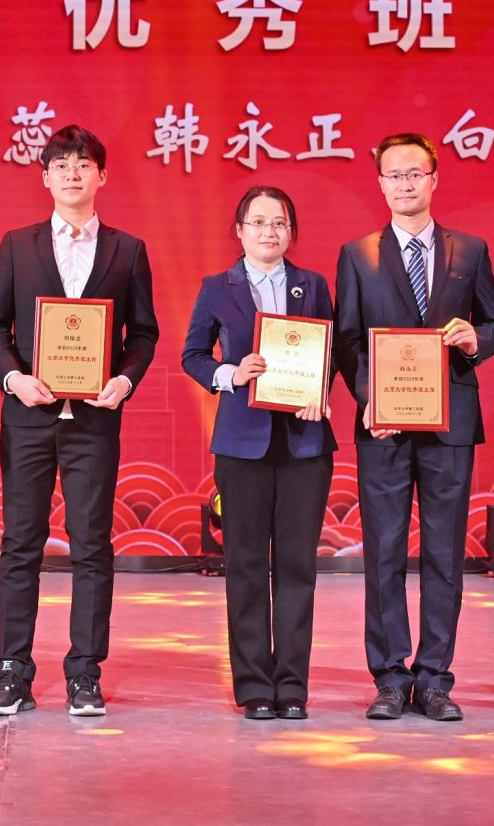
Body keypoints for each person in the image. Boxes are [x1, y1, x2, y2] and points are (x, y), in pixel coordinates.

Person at [0, 124, 158, 718]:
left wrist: (123, 381)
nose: (72, 174)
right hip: (28, 416)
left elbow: (144, 333)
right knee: (19, 543)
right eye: (61, 165)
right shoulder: (16, 245)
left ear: (101, 176)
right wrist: (14, 378)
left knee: (91, 545)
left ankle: (85, 671)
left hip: (94, 420)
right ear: (45, 177)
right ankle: (12, 669)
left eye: (83, 165)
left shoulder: (128, 250)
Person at [333, 132, 494, 722]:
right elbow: (348, 340)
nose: (405, 184)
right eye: (394, 175)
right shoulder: (357, 254)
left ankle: (434, 678)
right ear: (380, 184)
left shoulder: (470, 250)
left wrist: (475, 339)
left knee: (444, 553)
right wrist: (368, 400)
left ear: (434, 178)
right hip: (382, 426)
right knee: (383, 551)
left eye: (415, 173)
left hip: (450, 424)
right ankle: (389, 676)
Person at [180, 185, 335, 720]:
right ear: (240, 231)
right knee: (245, 563)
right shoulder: (216, 288)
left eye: (280, 223)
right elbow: (193, 355)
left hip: (304, 443)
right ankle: (253, 686)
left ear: (291, 232)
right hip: (242, 443)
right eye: (259, 222)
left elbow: (330, 352)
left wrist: (320, 391)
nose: (270, 231)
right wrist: (230, 372)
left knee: (297, 565)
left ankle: (291, 686)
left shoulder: (312, 285)